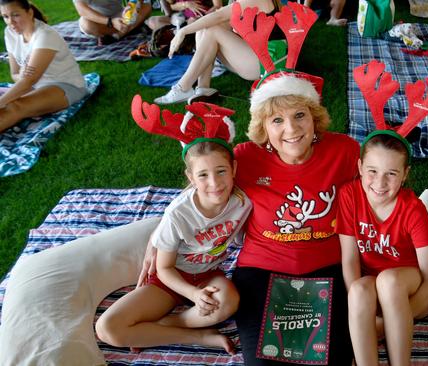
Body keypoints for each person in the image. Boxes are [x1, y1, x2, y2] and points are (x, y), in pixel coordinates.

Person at [139, 72, 358, 364]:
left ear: (314, 117)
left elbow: (372, 196)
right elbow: (201, 190)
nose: (291, 128)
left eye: (299, 115)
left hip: (327, 267)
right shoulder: (246, 158)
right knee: (263, 361)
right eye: (277, 120)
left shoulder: (344, 150)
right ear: (263, 128)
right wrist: (157, 238)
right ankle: (175, 327)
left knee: (334, 358)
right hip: (262, 270)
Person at [96, 113, 252, 352]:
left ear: (234, 168)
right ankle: (199, 337)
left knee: (229, 302)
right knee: (108, 328)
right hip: (171, 279)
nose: (214, 183)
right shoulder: (178, 213)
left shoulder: (243, 200)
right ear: (191, 177)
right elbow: (164, 268)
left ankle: (163, 326)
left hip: (209, 273)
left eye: (221, 171)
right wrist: (193, 294)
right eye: (203, 175)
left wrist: (202, 292)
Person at [335, 131, 428, 366]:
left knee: (388, 280)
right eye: (372, 171)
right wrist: (358, 306)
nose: (380, 183)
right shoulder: (349, 195)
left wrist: (390, 322)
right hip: (372, 289)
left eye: (391, 174)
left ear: (405, 174)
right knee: (359, 288)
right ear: (360, 167)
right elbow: (350, 259)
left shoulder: (413, 209)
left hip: (409, 289)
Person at [152, 0, 280, 105]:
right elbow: (220, 19)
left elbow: (219, 16)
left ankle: (183, 87)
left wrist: (183, 31)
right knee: (204, 29)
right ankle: (203, 88)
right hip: (256, 59)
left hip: (266, 65)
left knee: (212, 29)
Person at [0, 0, 87, 132]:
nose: (11, 22)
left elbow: (29, 80)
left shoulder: (45, 35)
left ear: (29, 13)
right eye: (6, 17)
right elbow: (15, 74)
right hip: (34, 87)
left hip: (65, 85)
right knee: (9, 103)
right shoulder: (10, 33)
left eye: (15, 15)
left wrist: (3, 100)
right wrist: (23, 78)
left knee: (15, 106)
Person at [73, 0, 153, 45]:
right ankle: (131, 29)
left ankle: (116, 36)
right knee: (86, 24)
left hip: (120, 14)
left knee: (147, 6)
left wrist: (131, 6)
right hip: (99, 21)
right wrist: (110, 22)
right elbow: (82, 10)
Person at [146, 0, 221, 32]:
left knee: (193, 21)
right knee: (153, 21)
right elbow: (170, 6)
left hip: (200, 17)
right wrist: (186, 4)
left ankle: (179, 38)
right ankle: (176, 35)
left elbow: (218, 6)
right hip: (180, 17)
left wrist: (204, 16)